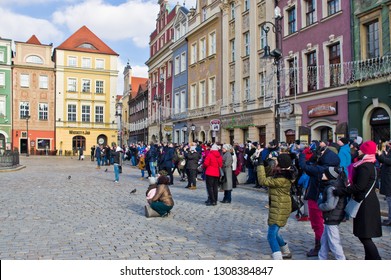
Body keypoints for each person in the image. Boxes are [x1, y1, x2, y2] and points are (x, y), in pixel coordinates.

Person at [334, 140, 382, 259]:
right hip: (367, 202)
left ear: (365, 151)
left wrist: (341, 191)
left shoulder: (365, 166)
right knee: (364, 235)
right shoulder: (368, 164)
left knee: (364, 236)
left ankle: (376, 260)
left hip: (365, 204)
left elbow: (359, 186)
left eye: (361, 149)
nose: (358, 150)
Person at [298, 144, 340, 257]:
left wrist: (302, 155)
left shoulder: (322, 169)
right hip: (320, 196)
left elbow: (304, 166)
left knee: (317, 224)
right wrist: (314, 155)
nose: (320, 154)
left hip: (316, 197)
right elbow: (309, 165)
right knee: (323, 224)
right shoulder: (328, 167)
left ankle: (320, 247)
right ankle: (326, 245)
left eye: (323, 153)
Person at [257, 153, 297, 260]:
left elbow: (263, 181)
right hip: (279, 206)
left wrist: (260, 166)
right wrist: (265, 165)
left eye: (277, 162)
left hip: (280, 208)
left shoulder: (282, 179)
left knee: (271, 235)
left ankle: (278, 257)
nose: (275, 163)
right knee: (275, 231)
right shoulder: (285, 173)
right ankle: (286, 251)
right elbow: (270, 175)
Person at [317, 166, 347, 260]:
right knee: (324, 240)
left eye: (324, 174)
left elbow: (330, 205)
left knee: (334, 241)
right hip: (331, 217)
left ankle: (341, 259)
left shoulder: (331, 188)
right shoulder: (336, 185)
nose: (322, 175)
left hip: (331, 217)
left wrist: (320, 206)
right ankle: (322, 257)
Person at [377, 141, 391, 226]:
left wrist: (380, 155)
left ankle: (390, 220)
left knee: (390, 200)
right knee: (389, 200)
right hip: (387, 179)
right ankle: (389, 218)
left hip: (389, 180)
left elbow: (388, 161)